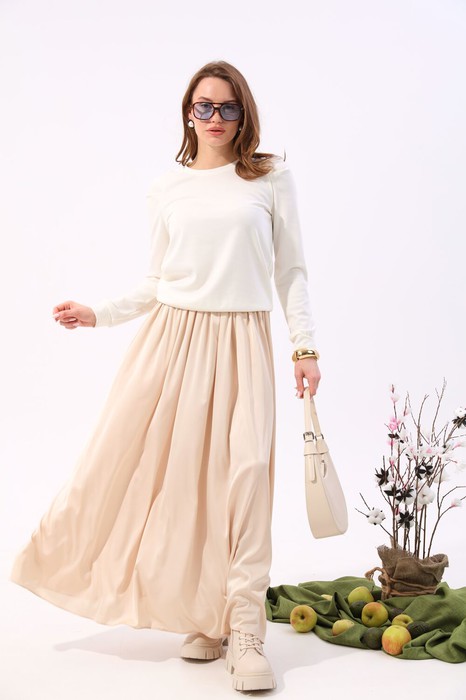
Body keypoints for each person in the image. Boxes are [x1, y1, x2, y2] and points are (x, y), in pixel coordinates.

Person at [9, 60, 321, 692]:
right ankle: (206, 615)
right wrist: (99, 313)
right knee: (183, 485)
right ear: (188, 113)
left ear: (244, 114)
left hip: (243, 339)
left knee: (247, 477)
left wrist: (304, 347)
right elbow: (157, 280)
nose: (215, 118)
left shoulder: (269, 177)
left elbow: (290, 271)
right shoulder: (167, 188)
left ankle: (246, 629)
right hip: (173, 341)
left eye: (227, 107)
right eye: (204, 106)